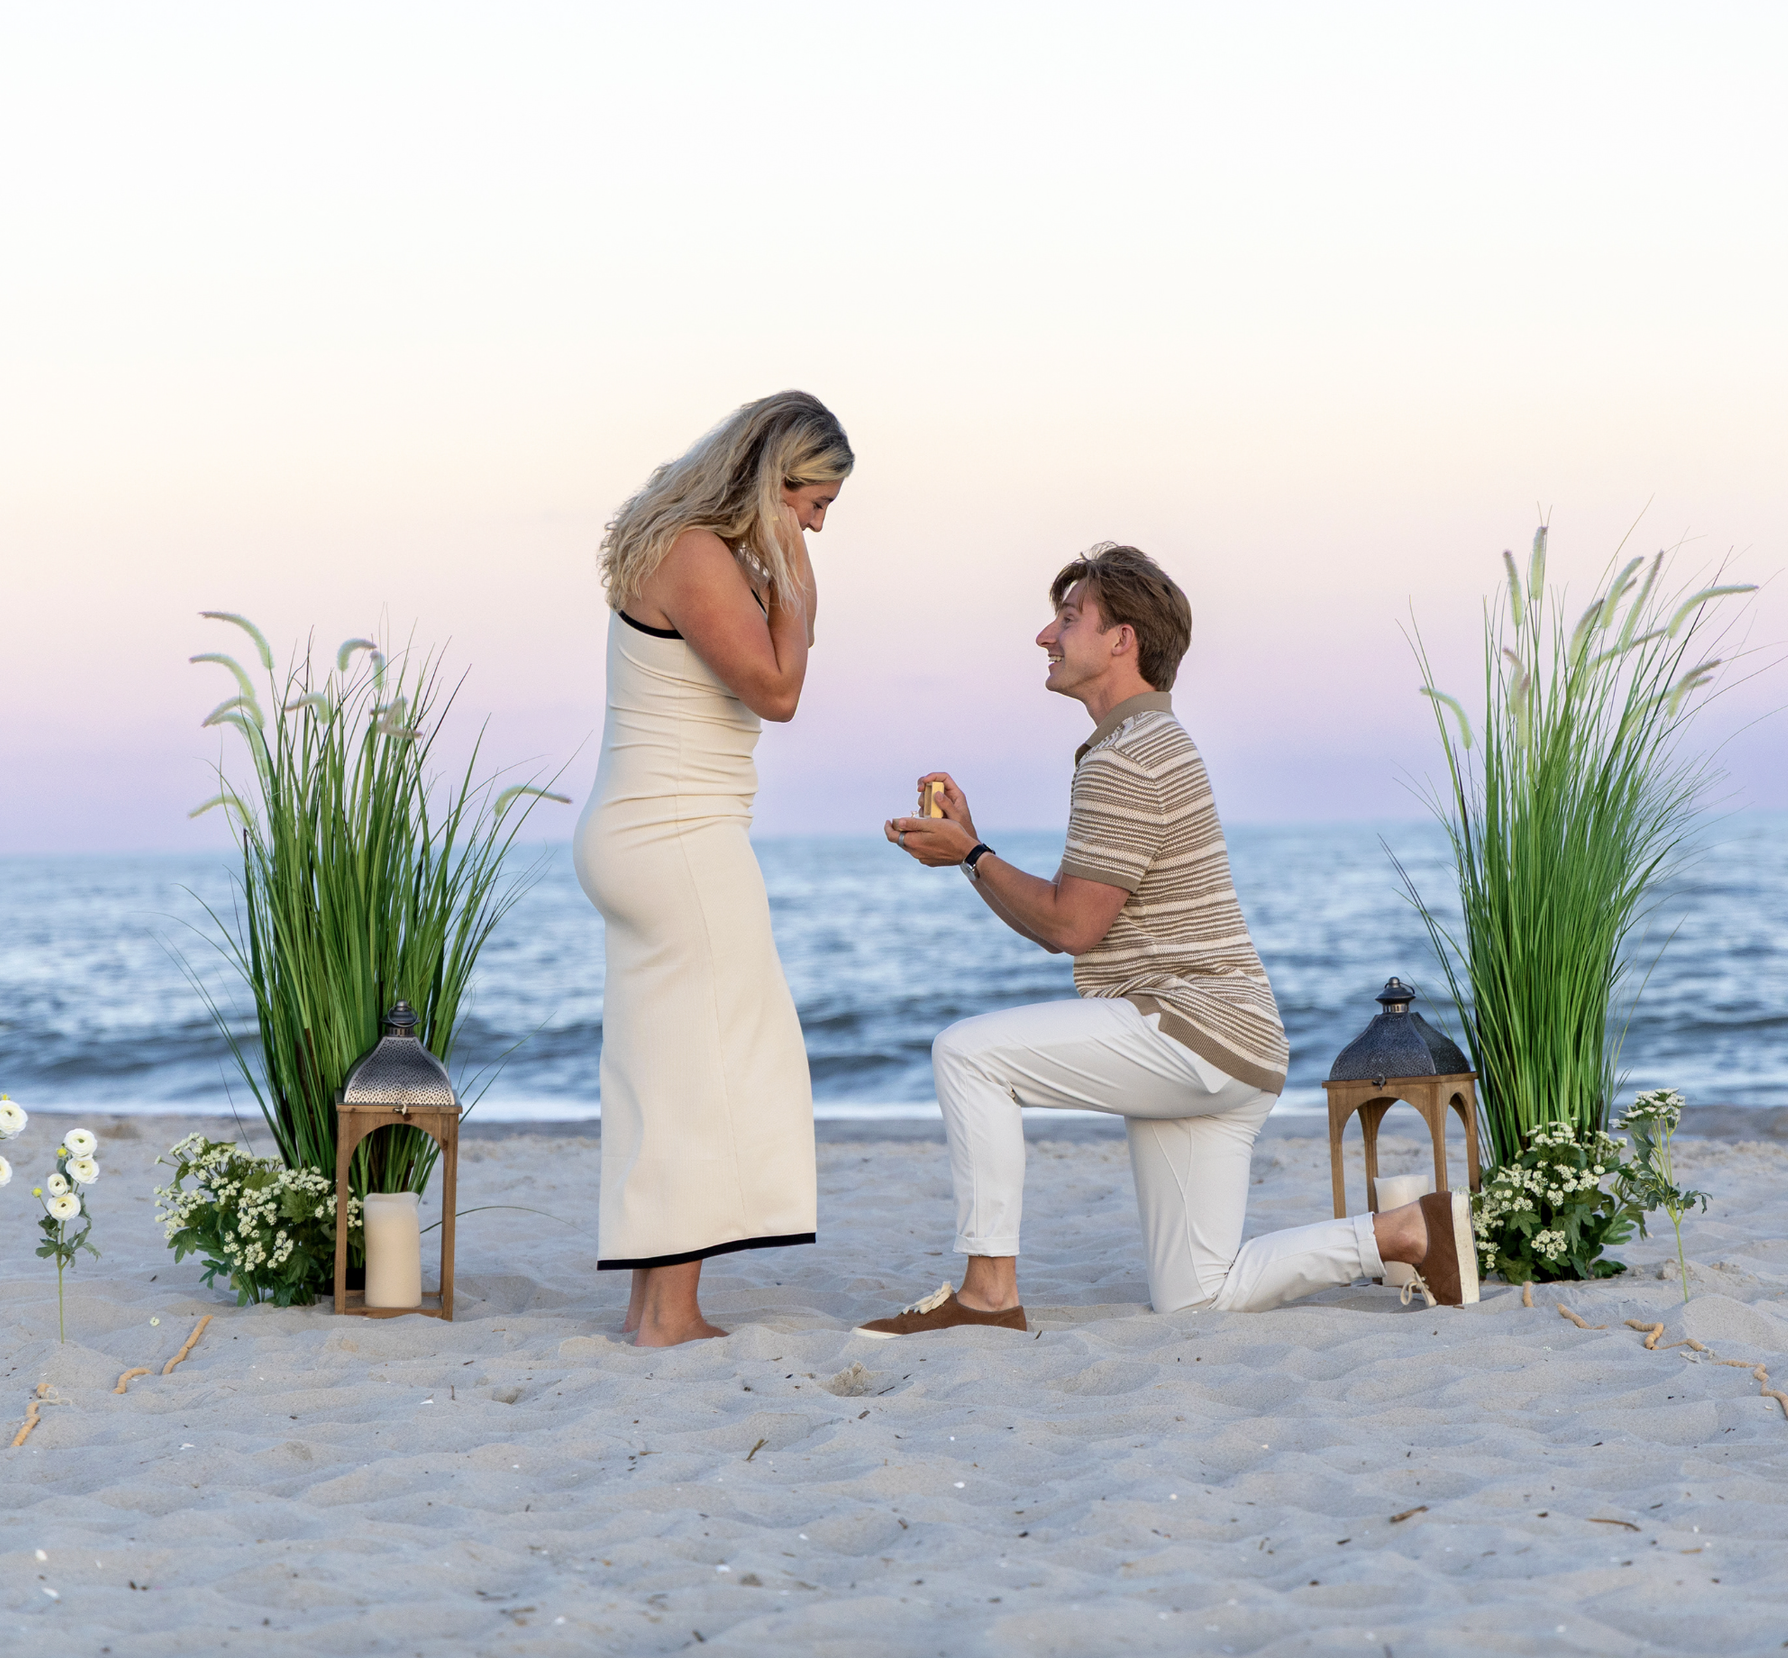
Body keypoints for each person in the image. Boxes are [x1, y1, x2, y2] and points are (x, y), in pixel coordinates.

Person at [864, 543, 1476, 1336]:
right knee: (1196, 1295)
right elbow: (1068, 916)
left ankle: (986, 1296)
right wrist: (974, 854)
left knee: (968, 1054)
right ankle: (1406, 1233)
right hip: (1234, 1046)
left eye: (1069, 618)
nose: (1046, 636)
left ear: (1122, 639)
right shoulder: (1152, 744)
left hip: (1189, 1031)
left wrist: (971, 857)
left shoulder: (1127, 758)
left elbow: (1070, 926)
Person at [573, 390, 851, 1347]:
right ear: (773, 478)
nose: (815, 524)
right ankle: (675, 1315)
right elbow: (776, 691)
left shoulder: (692, 549)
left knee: (663, 1068)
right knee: (709, 1067)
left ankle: (651, 1307)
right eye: (812, 502)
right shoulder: (696, 552)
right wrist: (802, 593)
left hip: (648, 835)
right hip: (677, 838)